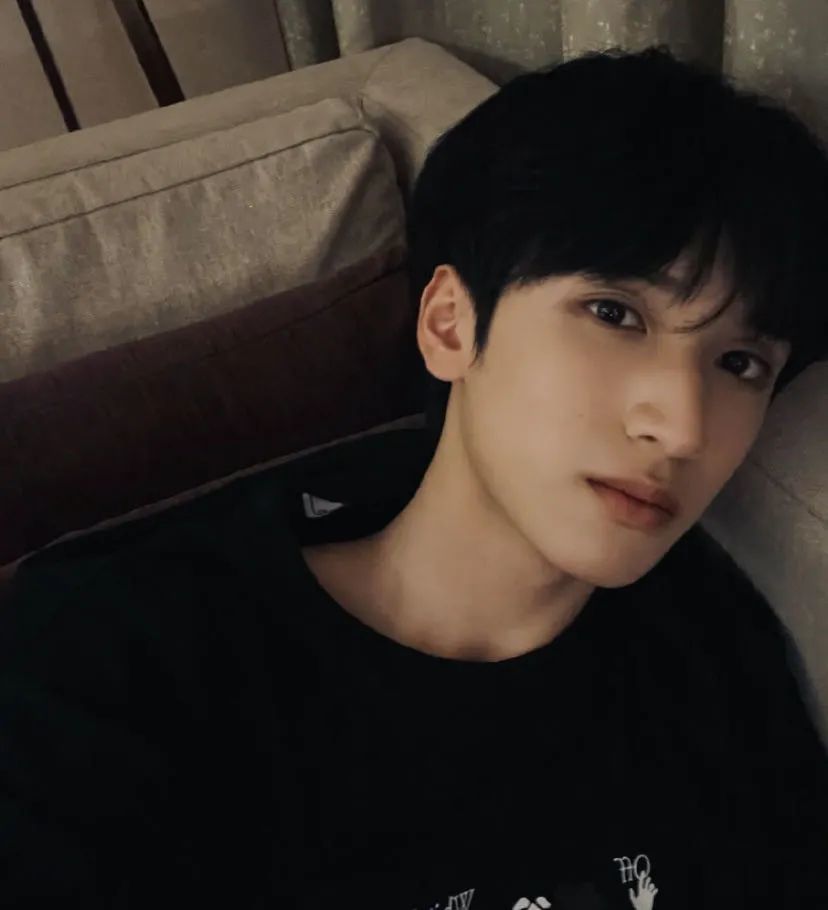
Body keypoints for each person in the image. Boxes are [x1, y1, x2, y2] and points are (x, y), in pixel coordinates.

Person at [1, 44, 827, 910]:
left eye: (741, 364)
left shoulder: (711, 657)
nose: (683, 428)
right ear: (449, 325)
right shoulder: (117, 663)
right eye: (614, 313)